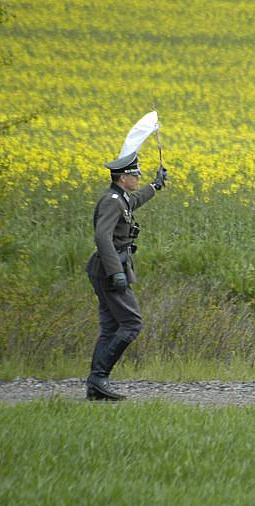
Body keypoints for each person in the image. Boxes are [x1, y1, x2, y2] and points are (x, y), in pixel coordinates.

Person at [84, 151, 168, 400]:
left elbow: (133, 201)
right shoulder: (111, 200)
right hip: (109, 270)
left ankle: (95, 385)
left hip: (109, 268)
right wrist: (115, 272)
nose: (138, 177)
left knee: (111, 327)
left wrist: (155, 185)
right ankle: (98, 378)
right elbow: (102, 236)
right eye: (136, 174)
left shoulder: (120, 197)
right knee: (132, 323)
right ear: (123, 177)